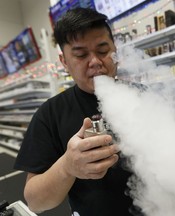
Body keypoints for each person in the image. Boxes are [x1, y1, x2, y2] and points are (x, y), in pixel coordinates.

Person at [14, 7, 137, 216]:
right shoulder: (49, 114)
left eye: (103, 51)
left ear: (115, 51)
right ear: (64, 62)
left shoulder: (145, 97)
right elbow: (35, 201)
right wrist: (67, 167)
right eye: (81, 55)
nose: (96, 62)